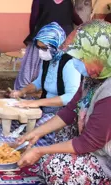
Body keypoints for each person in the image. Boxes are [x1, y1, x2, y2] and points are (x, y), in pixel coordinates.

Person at [17, 20, 111, 184]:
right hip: (92, 145)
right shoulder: (92, 79)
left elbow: (90, 142)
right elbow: (69, 112)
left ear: (98, 55)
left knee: (53, 166)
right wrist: (38, 132)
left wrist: (40, 150)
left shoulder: (108, 92)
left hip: (106, 159)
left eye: (81, 57)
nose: (77, 61)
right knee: (59, 138)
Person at [10, 22, 81, 120]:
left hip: (62, 114)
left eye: (44, 48)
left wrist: (36, 103)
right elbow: (39, 82)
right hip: (45, 106)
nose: (40, 51)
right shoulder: (48, 59)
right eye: (38, 47)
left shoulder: (70, 64)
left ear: (57, 45)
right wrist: (22, 92)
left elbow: (71, 97)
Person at [14, 0, 83, 90]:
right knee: (57, 64)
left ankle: (23, 88)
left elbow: (34, 18)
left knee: (31, 65)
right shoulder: (68, 1)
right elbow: (74, 17)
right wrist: (84, 25)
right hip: (63, 39)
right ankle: (45, 88)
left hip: (44, 36)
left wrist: (34, 35)